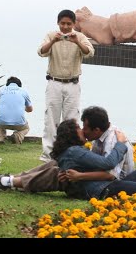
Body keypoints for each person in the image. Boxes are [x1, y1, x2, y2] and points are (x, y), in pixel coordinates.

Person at [0, 106, 133, 193]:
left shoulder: (112, 139)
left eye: (84, 128)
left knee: (57, 172)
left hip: (114, 183)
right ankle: (12, 179)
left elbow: (109, 170)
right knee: (54, 165)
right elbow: (95, 163)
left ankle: (8, 182)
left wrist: (78, 175)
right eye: (81, 127)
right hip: (97, 179)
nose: (83, 131)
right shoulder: (95, 140)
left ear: (97, 130)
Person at [38, 9, 95, 162]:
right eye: (62, 23)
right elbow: (41, 51)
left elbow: (90, 52)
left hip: (73, 84)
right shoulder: (51, 35)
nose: (65, 27)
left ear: (74, 24)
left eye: (68, 24)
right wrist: (53, 41)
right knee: (50, 118)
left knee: (72, 120)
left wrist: (76, 41)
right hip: (54, 82)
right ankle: (48, 155)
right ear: (58, 23)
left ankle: (70, 153)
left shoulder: (80, 37)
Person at [0, 76, 33, 144]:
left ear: (7, 84)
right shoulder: (23, 91)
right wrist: (23, 107)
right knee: (26, 128)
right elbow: (30, 109)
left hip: (2, 123)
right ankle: (17, 136)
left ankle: (1, 137)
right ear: (19, 85)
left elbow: (2, 105)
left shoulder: (1, 90)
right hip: (19, 124)